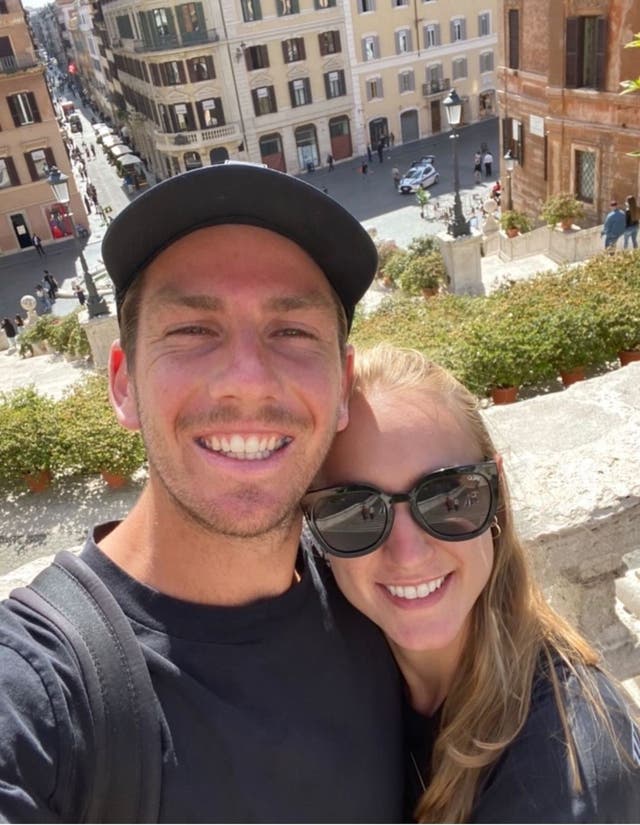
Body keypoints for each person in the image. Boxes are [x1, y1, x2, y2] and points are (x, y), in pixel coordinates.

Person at [0, 164, 404, 821]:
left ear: (342, 389)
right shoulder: (44, 687)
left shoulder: (381, 589)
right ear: (124, 383)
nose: (247, 380)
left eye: (293, 333)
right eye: (192, 331)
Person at [303, 344, 640, 824]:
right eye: (357, 512)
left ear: (495, 496)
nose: (408, 553)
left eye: (447, 498)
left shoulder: (567, 784)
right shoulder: (339, 648)